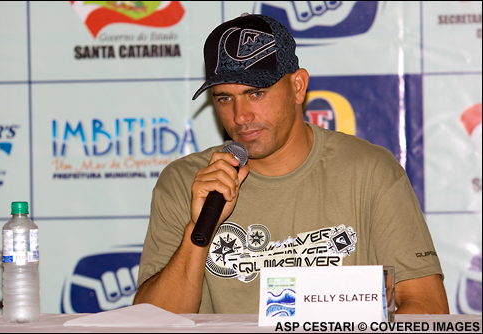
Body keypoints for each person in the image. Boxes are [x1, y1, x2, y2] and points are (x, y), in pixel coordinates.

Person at [133, 13, 449, 314]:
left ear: (297, 87)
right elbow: (153, 324)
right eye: (224, 98)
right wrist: (197, 230)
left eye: (255, 93)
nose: (240, 116)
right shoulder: (186, 181)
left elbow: (429, 307)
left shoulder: (369, 171)